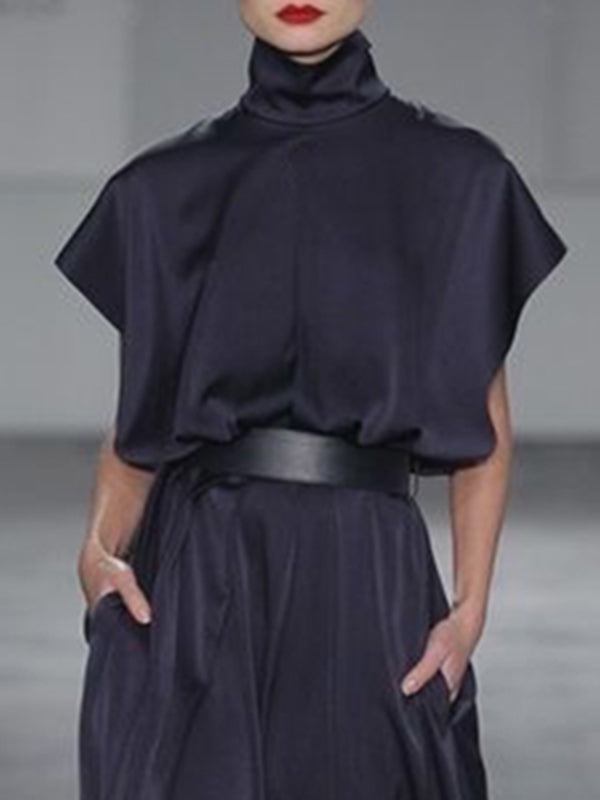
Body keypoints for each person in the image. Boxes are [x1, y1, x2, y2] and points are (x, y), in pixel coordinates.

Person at [53, 2, 568, 798]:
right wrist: (97, 553)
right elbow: (142, 422)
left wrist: (470, 612)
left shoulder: (461, 178)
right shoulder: (163, 188)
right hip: (197, 575)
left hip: (368, 575)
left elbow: (483, 423)